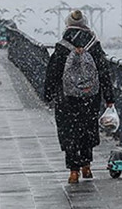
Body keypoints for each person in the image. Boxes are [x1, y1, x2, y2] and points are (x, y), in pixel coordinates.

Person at [43, 10, 114, 184]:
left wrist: (48, 94)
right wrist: (109, 97)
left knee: (70, 131)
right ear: (85, 24)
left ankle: (73, 171)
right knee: (87, 128)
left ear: (67, 24)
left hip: (67, 97)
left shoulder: (62, 46)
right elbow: (104, 72)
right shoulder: (94, 45)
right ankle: (86, 166)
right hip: (90, 95)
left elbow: (52, 73)